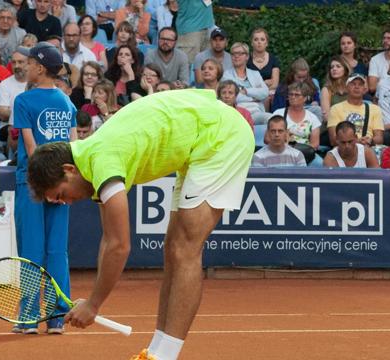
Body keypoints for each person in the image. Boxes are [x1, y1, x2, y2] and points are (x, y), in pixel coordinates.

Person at [26, 89, 252, 360]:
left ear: (68, 170)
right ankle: (155, 352)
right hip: (196, 142)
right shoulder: (89, 158)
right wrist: (91, 301)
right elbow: (108, 240)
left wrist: (94, 304)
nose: (68, 202)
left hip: (220, 136)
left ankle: (165, 356)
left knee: (185, 248)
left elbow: (120, 246)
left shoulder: (103, 161)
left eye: (62, 194)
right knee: (172, 247)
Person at [13, 42, 77, 335]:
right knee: (56, 252)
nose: (23, 67)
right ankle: (56, 319)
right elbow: (75, 148)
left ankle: (27, 318)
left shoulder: (23, 101)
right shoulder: (67, 103)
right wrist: (63, 183)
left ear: (39, 68)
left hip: (33, 183)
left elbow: (31, 148)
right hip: (62, 183)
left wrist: (43, 184)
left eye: (27, 63)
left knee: (32, 250)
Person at [327, 73, 384, 147]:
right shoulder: (335, 108)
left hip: (367, 147)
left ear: (364, 89)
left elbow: (379, 138)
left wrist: (370, 140)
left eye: (360, 84)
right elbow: (333, 140)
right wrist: (356, 141)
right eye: (353, 84)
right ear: (347, 87)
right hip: (345, 148)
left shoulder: (375, 109)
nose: (357, 87)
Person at [272, 81, 320, 164]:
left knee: (319, 163)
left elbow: (315, 144)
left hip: (305, 153)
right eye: (291, 94)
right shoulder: (278, 113)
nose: (293, 97)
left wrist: (297, 150)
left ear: (305, 98)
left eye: (297, 95)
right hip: (281, 150)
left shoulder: (312, 118)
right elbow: (267, 138)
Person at [221, 42, 269, 124]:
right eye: (233, 54)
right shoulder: (226, 75)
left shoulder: (255, 74)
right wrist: (254, 98)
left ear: (247, 56)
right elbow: (234, 97)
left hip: (256, 112)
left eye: (240, 53)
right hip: (238, 112)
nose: (236, 56)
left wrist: (246, 91)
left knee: (272, 118)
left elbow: (265, 92)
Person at [0, 46, 27, 126]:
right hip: (8, 126)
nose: (16, 66)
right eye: (13, 62)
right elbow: (3, 115)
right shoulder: (5, 84)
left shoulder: (37, 83)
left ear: (29, 63)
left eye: (20, 62)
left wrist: (12, 110)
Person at [246, 28, 279, 103]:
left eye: (262, 39)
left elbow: (275, 83)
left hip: (270, 93)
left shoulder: (273, 59)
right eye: (256, 39)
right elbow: (246, 82)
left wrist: (258, 87)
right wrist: (264, 83)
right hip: (251, 93)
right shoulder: (246, 59)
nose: (259, 42)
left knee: (267, 98)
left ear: (266, 43)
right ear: (252, 43)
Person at [367, 29, 390, 94]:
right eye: (384, 38)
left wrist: (380, 81)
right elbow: (372, 87)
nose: (385, 41)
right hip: (379, 98)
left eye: (389, 38)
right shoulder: (375, 60)